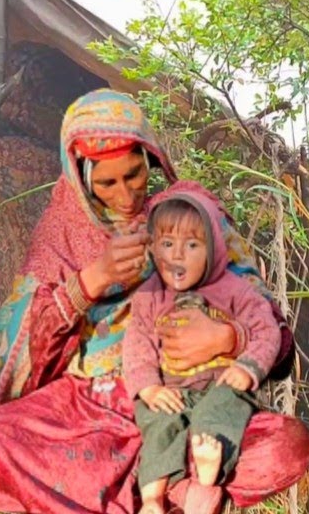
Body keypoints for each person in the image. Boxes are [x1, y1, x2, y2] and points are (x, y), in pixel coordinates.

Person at [0, 89, 309, 514]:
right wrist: (94, 279)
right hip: (84, 408)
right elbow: (23, 353)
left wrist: (228, 337)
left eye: (135, 174)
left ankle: (165, 479)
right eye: (108, 182)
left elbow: (274, 335)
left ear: (152, 157)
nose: (127, 194)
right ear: (80, 176)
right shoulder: (62, 227)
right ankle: (173, 487)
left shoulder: (191, 212)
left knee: (286, 444)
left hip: (193, 399)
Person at [123, 182, 285, 514]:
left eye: (192, 245)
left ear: (213, 249)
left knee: (224, 408)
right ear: (154, 249)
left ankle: (211, 462)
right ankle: (152, 497)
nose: (177, 255)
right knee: (157, 422)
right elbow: (137, 343)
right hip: (174, 392)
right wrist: (149, 387)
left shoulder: (235, 290)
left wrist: (247, 367)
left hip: (221, 384)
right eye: (167, 244)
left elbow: (266, 329)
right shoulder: (149, 296)